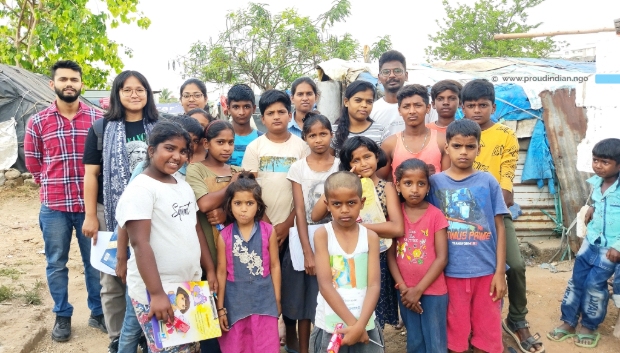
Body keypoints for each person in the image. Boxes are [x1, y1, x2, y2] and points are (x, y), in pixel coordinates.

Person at [115, 121, 217, 353]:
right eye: (169, 148)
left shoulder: (182, 185)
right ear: (152, 151)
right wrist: (157, 294)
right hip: (157, 291)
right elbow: (140, 244)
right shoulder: (141, 189)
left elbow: (195, 230)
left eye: (183, 151)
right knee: (168, 349)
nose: (177, 156)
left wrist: (208, 270)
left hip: (187, 288)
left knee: (187, 348)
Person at [24, 60, 105, 343]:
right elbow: (33, 163)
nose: (69, 84)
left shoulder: (97, 119)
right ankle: (62, 314)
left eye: (74, 79)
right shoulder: (37, 121)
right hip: (54, 207)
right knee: (56, 263)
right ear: (53, 84)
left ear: (81, 84)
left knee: (94, 262)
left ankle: (98, 312)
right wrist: (47, 181)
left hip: (89, 207)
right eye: (63, 79)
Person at [460, 79, 543, 353]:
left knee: (515, 266)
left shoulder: (505, 134)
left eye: (482, 105)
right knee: (472, 272)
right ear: (462, 108)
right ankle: (475, 327)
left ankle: (517, 318)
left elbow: (507, 171)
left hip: (496, 212)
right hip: (464, 217)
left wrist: (504, 191)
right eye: (470, 105)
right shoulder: (458, 135)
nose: (476, 110)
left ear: (493, 106)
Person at [82, 70, 159, 352]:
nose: (134, 94)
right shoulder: (101, 129)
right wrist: (91, 215)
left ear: (148, 94)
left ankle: (144, 331)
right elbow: (91, 175)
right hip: (110, 212)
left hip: (152, 213)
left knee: (150, 271)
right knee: (113, 277)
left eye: (140, 89)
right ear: (117, 94)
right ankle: (117, 336)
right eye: (127, 90)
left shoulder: (161, 126)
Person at [427, 119, 508, 353]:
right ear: (447, 147)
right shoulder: (435, 184)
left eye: (470, 147)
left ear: (478, 149)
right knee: (455, 332)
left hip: (486, 271)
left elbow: (499, 227)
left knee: (488, 331)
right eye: (457, 146)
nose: (463, 152)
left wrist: (500, 271)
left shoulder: (488, 181)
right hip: (451, 272)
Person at [313, 136, 403, 330]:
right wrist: (342, 180)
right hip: (344, 259)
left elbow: (397, 228)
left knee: (375, 314)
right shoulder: (343, 189)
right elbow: (316, 214)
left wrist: (359, 228)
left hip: (377, 258)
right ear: (348, 164)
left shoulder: (386, 187)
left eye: (367, 156)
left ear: (377, 156)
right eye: (356, 160)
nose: (363, 163)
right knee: (348, 302)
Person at [547, 138, 620, 349]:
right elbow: (600, 207)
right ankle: (568, 322)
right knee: (576, 282)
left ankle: (589, 325)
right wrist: (591, 209)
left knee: (594, 285)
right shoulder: (597, 184)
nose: (597, 165)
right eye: (595, 160)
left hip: (610, 248)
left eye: (604, 162)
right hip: (591, 243)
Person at [284, 113, 340, 353]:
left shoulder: (340, 165)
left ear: (331, 135)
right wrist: (308, 252)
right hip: (305, 239)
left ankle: (331, 346)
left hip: (336, 238)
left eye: (323, 134)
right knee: (306, 302)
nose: (319, 140)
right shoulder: (298, 168)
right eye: (313, 135)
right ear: (305, 137)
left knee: (333, 297)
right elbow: (299, 210)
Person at [309, 171, 383, 353]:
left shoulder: (371, 237)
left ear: (362, 202)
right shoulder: (323, 235)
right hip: (330, 323)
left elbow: (374, 285)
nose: (344, 210)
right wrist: (355, 326)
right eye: (337, 204)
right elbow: (325, 285)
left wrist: (360, 327)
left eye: (351, 203)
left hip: (366, 321)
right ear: (327, 205)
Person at [386, 159, 449, 353]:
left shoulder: (435, 215)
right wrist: (404, 288)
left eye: (421, 183)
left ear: (428, 186)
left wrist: (418, 290)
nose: (415, 189)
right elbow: (391, 256)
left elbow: (442, 258)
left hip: (433, 291)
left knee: (435, 340)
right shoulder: (394, 217)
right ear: (397, 185)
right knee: (414, 340)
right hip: (405, 292)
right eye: (408, 183)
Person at [216, 172, 281, 352]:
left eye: (249, 203)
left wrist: (277, 298)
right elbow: (221, 272)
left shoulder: (269, 231)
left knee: (265, 345)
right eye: (238, 203)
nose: (243, 209)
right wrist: (221, 308)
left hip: (264, 301)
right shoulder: (225, 236)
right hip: (235, 303)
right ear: (229, 205)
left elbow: (275, 266)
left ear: (258, 206)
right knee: (237, 345)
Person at [186, 120, 241, 264]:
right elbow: (204, 204)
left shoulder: (237, 171)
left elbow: (250, 207)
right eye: (220, 142)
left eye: (231, 142)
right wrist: (232, 185)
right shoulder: (196, 169)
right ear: (206, 143)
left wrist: (226, 213)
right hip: (207, 244)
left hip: (237, 243)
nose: (227, 148)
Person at [378, 84, 450, 182]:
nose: (412, 111)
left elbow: (447, 181)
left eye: (418, 105)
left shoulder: (441, 141)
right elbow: (381, 181)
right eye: (406, 106)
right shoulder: (389, 144)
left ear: (428, 108)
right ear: (399, 111)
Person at [331, 81, 390, 157]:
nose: (364, 105)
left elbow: (384, 164)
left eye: (369, 102)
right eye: (358, 100)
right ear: (346, 102)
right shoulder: (333, 132)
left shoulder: (381, 132)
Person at [370, 50, 409, 136]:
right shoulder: (372, 111)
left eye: (397, 71)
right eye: (386, 72)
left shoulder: (422, 107)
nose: (391, 75)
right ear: (379, 78)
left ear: (406, 76)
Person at [227, 84, 264, 167]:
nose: (241, 112)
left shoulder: (262, 139)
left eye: (246, 107)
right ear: (228, 109)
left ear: (254, 109)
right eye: (236, 107)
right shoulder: (219, 138)